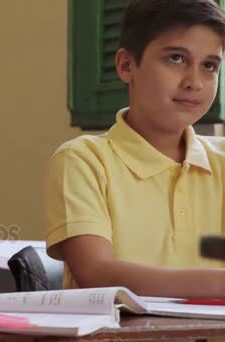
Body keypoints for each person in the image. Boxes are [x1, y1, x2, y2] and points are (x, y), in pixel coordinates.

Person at [45, 0, 225, 298]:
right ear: (127, 66)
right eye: (177, 59)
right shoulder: (84, 160)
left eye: (209, 66)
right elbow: (95, 272)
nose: (194, 82)